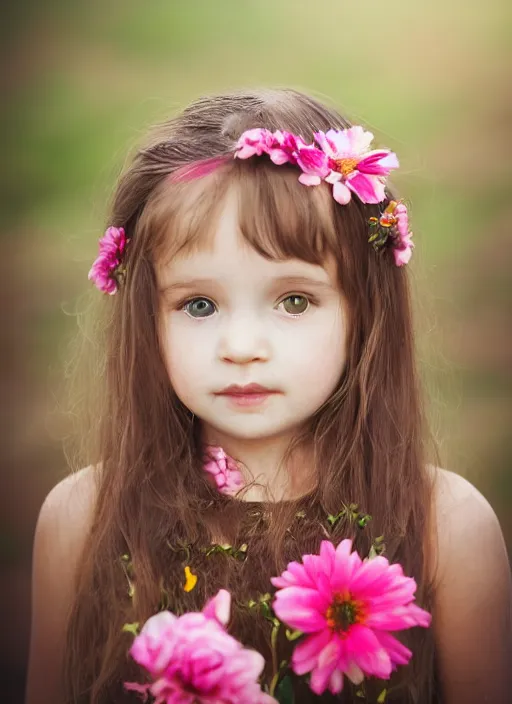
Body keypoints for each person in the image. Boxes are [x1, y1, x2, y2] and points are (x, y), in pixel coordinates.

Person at [26, 89, 511, 704]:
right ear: (148, 319)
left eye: (294, 301)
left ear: (364, 311)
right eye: (198, 304)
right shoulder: (82, 518)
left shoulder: (445, 525)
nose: (242, 346)